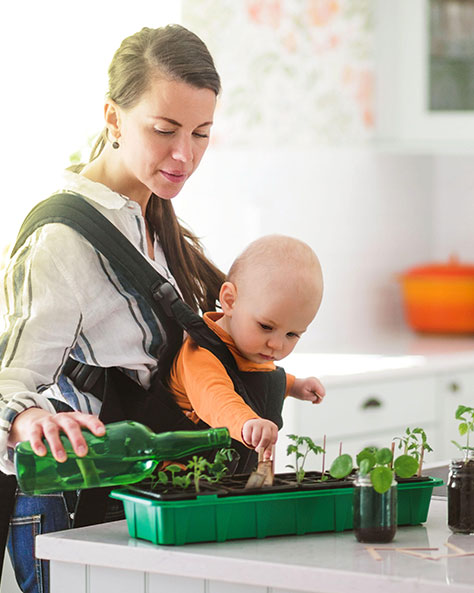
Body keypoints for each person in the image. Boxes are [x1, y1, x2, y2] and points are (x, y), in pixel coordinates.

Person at [0, 24, 226, 593]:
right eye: (164, 130)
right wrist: (30, 420)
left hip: (134, 492)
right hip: (69, 498)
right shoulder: (62, 239)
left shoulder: (148, 214)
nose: (185, 155)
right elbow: (9, 386)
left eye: (201, 133)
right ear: (113, 118)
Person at [168, 234, 326, 461]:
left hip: (225, 478)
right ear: (230, 301)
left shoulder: (251, 349)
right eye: (265, 326)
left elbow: (253, 379)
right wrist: (246, 422)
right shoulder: (201, 354)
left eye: (292, 334)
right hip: (183, 478)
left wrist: (293, 386)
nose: (277, 345)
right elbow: (217, 399)